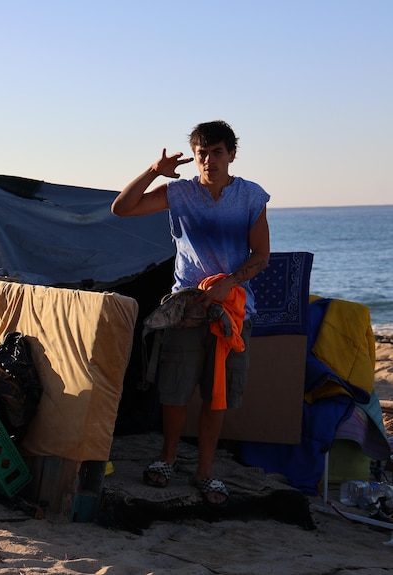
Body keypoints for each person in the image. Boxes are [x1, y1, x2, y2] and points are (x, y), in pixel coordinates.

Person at [111, 120, 270, 506]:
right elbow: (122, 208)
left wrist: (228, 283)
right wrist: (153, 171)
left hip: (231, 311)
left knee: (216, 395)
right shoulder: (179, 193)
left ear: (231, 154)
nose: (209, 160)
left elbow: (261, 256)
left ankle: (206, 471)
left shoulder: (250, 197)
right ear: (195, 157)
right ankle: (167, 459)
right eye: (202, 153)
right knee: (175, 391)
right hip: (186, 309)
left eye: (217, 152)